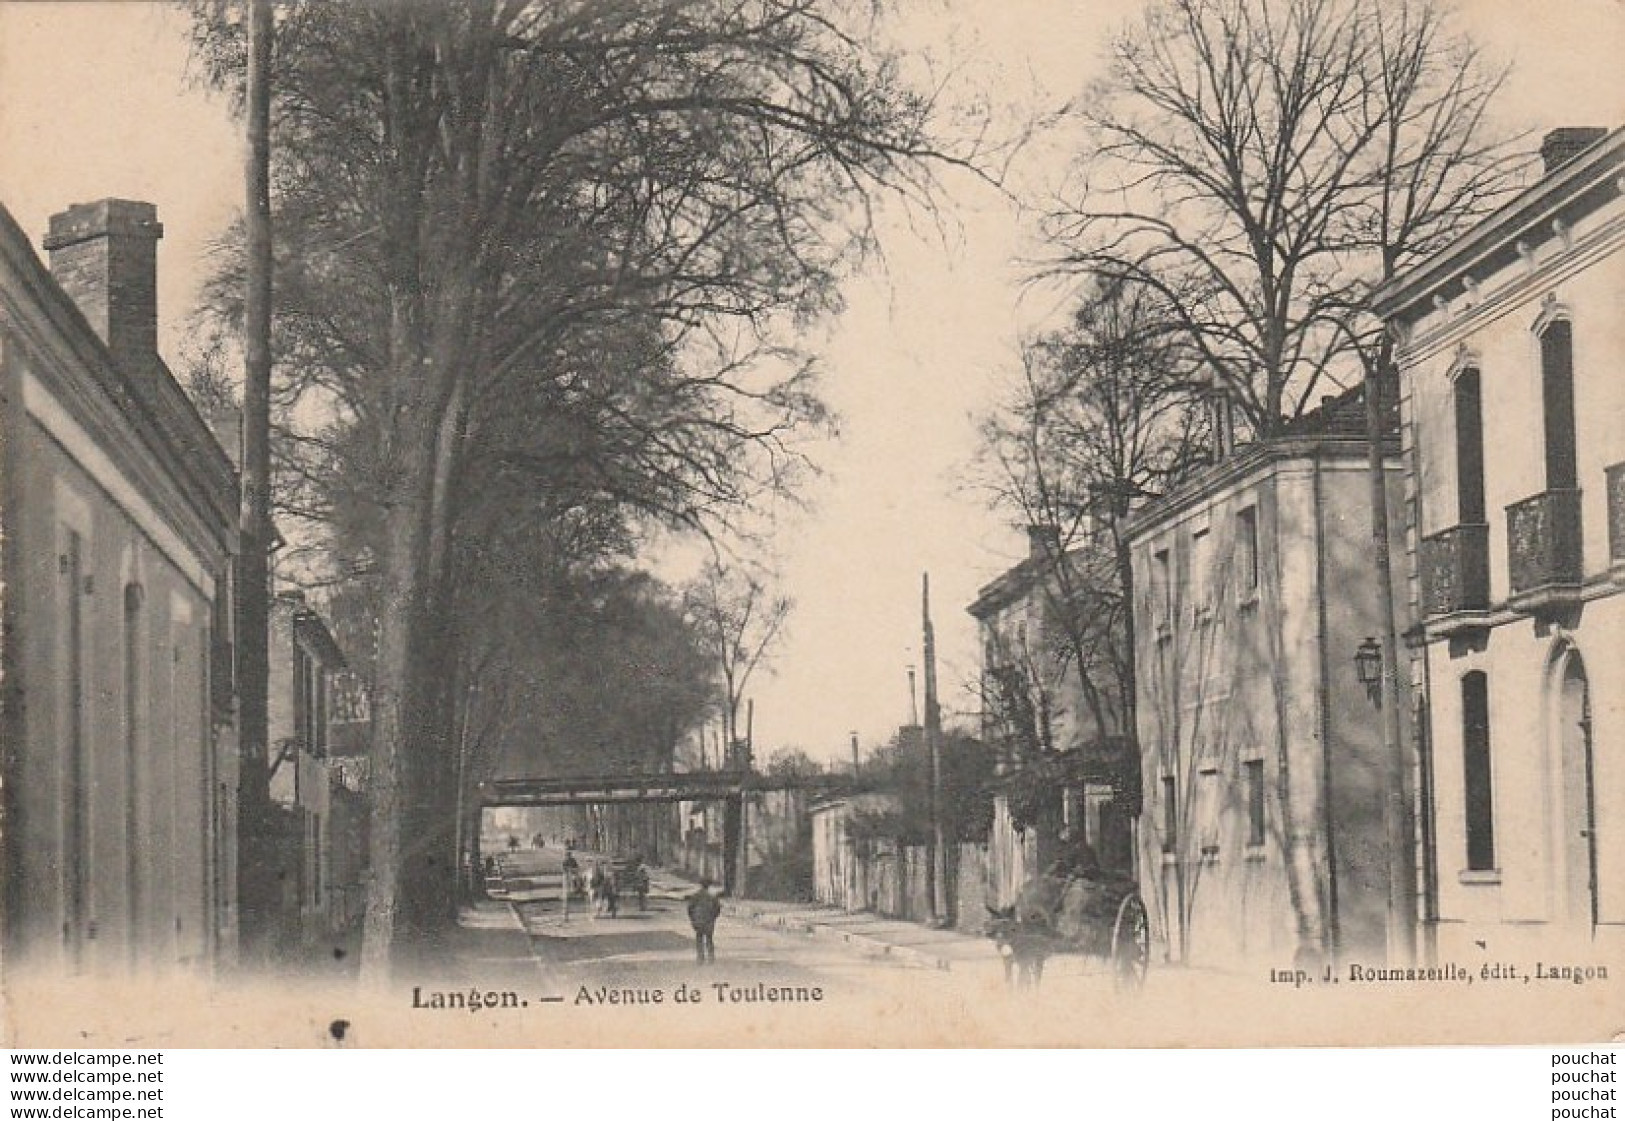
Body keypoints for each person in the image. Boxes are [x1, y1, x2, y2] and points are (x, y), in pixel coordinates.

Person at [686, 878, 722, 965]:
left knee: (699, 939)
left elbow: (690, 908)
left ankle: (700, 958)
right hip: (709, 920)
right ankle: (711, 958)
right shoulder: (712, 897)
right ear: (709, 886)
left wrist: (693, 919)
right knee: (709, 939)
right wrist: (713, 917)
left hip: (698, 920)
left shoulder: (695, 896)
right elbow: (717, 909)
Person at [561, 849, 579, 921]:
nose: (568, 856)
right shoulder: (564, 862)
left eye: (569, 854)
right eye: (567, 855)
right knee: (566, 897)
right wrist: (571, 870)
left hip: (572, 878)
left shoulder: (573, 860)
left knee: (575, 881)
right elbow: (564, 870)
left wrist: (573, 870)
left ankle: (576, 890)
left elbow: (577, 868)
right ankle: (565, 915)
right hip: (567, 879)